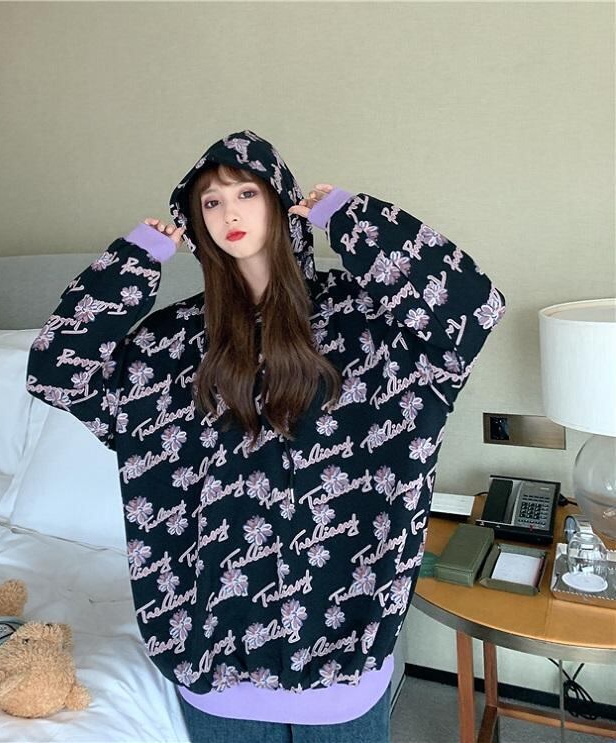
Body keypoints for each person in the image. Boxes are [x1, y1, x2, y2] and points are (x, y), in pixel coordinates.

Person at [25, 129, 507, 742]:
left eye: (246, 193)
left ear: (280, 202)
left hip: (340, 660)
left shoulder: (369, 325)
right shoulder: (172, 345)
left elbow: (469, 306)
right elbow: (57, 369)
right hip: (215, 663)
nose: (229, 213)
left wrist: (354, 218)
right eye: (211, 202)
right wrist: (133, 262)